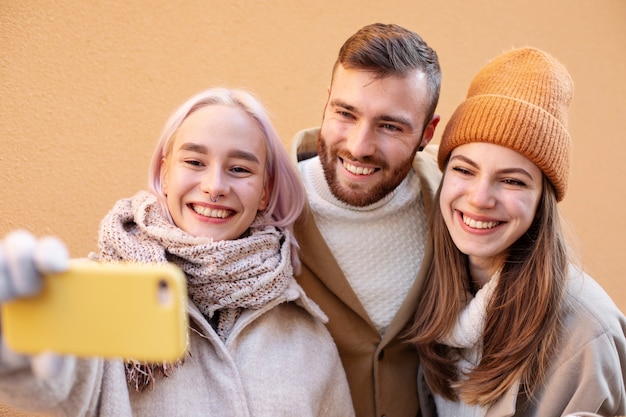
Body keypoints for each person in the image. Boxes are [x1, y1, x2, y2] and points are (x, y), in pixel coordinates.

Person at [0, 88, 355, 416]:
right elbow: (52, 381)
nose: (214, 186)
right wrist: (17, 347)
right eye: (195, 162)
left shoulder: (306, 336)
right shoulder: (103, 293)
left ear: (264, 191)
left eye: (240, 169)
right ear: (165, 172)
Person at [408, 47, 626, 416]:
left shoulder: (586, 336)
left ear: (543, 199)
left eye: (511, 180)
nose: (479, 199)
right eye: (464, 170)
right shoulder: (431, 293)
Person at [292, 23, 442, 417]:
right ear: (326, 104)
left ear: (427, 131)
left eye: (390, 125)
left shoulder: (455, 208)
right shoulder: (265, 207)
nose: (359, 147)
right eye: (346, 113)